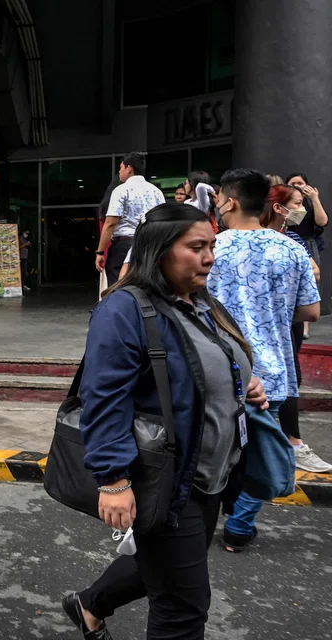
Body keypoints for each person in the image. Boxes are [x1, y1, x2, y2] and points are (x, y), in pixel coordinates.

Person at [63, 203, 270, 640]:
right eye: (196, 247)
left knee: (163, 564)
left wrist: (244, 385)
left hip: (211, 474)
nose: (209, 257)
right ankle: (91, 605)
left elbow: (207, 367)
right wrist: (114, 480)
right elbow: (103, 399)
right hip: (167, 478)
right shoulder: (124, 310)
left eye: (211, 246)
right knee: (183, 610)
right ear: (159, 251)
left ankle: (88, 605)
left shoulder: (199, 302)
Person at [206, 169, 321, 553]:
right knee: (265, 448)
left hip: (216, 366)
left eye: (220, 199)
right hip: (270, 370)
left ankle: (199, 520)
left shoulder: (210, 248)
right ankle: (240, 526)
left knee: (210, 445)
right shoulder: (292, 248)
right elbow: (311, 311)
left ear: (231, 201)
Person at [260, 185, 330, 473]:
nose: (301, 209)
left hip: (290, 322)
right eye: (297, 203)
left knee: (290, 379)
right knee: (278, 383)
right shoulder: (266, 240)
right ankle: (291, 443)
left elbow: (314, 270)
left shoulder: (292, 238)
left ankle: (289, 442)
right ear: (278, 208)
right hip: (276, 322)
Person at [95, 153, 165, 286]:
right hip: (149, 244)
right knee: (146, 284)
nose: (119, 172)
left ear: (129, 168)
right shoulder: (156, 192)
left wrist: (100, 252)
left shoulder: (121, 190)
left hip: (125, 245)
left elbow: (110, 223)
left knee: (119, 285)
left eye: (121, 168)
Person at [286, 172, 327, 340]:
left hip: (308, 244)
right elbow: (290, 222)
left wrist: (315, 198)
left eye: (300, 183)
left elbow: (322, 221)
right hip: (290, 241)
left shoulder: (310, 202)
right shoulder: (285, 203)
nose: (297, 186)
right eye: (293, 183)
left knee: (308, 282)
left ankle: (304, 326)